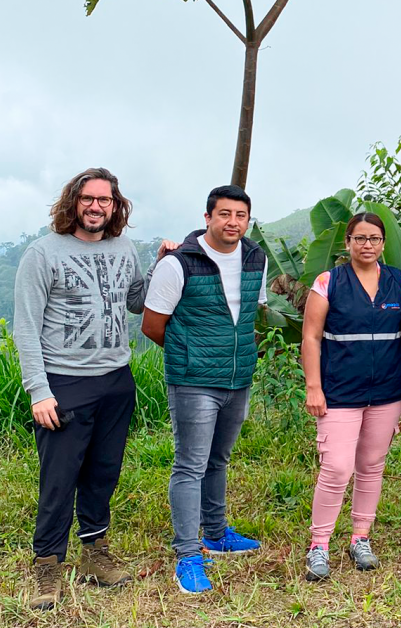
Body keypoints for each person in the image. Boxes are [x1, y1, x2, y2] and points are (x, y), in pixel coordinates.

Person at [14, 168, 175, 610]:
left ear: (115, 206)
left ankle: (94, 555)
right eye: (88, 198)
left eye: (104, 200)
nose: (96, 207)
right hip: (63, 382)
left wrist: (162, 263)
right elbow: (25, 328)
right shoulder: (42, 253)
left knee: (103, 473)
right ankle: (47, 565)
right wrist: (38, 390)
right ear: (73, 202)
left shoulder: (122, 247)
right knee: (59, 480)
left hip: (115, 379)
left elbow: (136, 301)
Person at [141, 185, 268, 593]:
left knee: (219, 459)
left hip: (238, 378)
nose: (233, 222)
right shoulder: (179, 264)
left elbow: (251, 314)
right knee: (190, 465)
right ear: (208, 217)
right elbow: (152, 324)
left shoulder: (255, 258)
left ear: (248, 220)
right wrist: (192, 354)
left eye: (241, 215)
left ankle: (215, 533)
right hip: (194, 381)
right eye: (225, 214)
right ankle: (188, 555)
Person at [299, 212, 401, 579]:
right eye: (360, 238)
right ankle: (319, 545)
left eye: (375, 239)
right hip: (338, 391)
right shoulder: (328, 282)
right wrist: (313, 386)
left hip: (387, 390)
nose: (368, 245)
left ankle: (360, 538)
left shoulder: (399, 281)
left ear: (383, 244)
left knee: (371, 467)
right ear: (347, 243)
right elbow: (311, 338)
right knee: (336, 468)